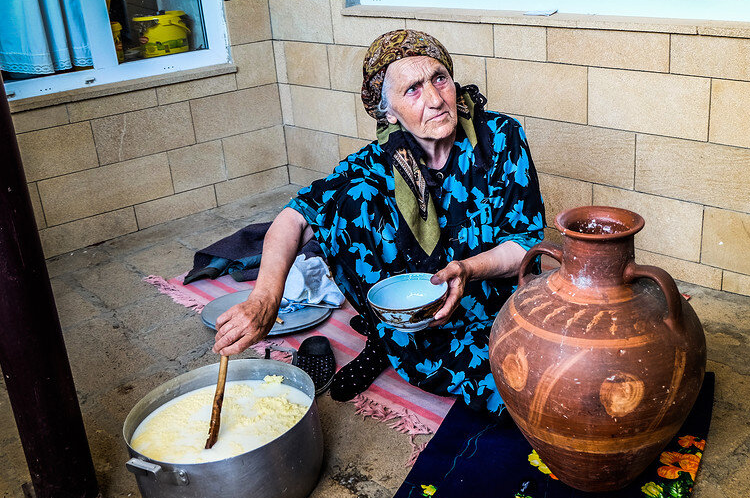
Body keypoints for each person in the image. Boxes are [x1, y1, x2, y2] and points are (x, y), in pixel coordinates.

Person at [212, 29, 545, 415]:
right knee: (350, 201)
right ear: (388, 111)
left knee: (530, 389)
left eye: (440, 79)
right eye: (413, 90)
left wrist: (469, 269)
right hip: (417, 315)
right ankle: (384, 335)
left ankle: (429, 344)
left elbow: (524, 241)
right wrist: (264, 297)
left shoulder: (500, 138)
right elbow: (294, 218)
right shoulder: (377, 161)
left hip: (491, 296)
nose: (436, 100)